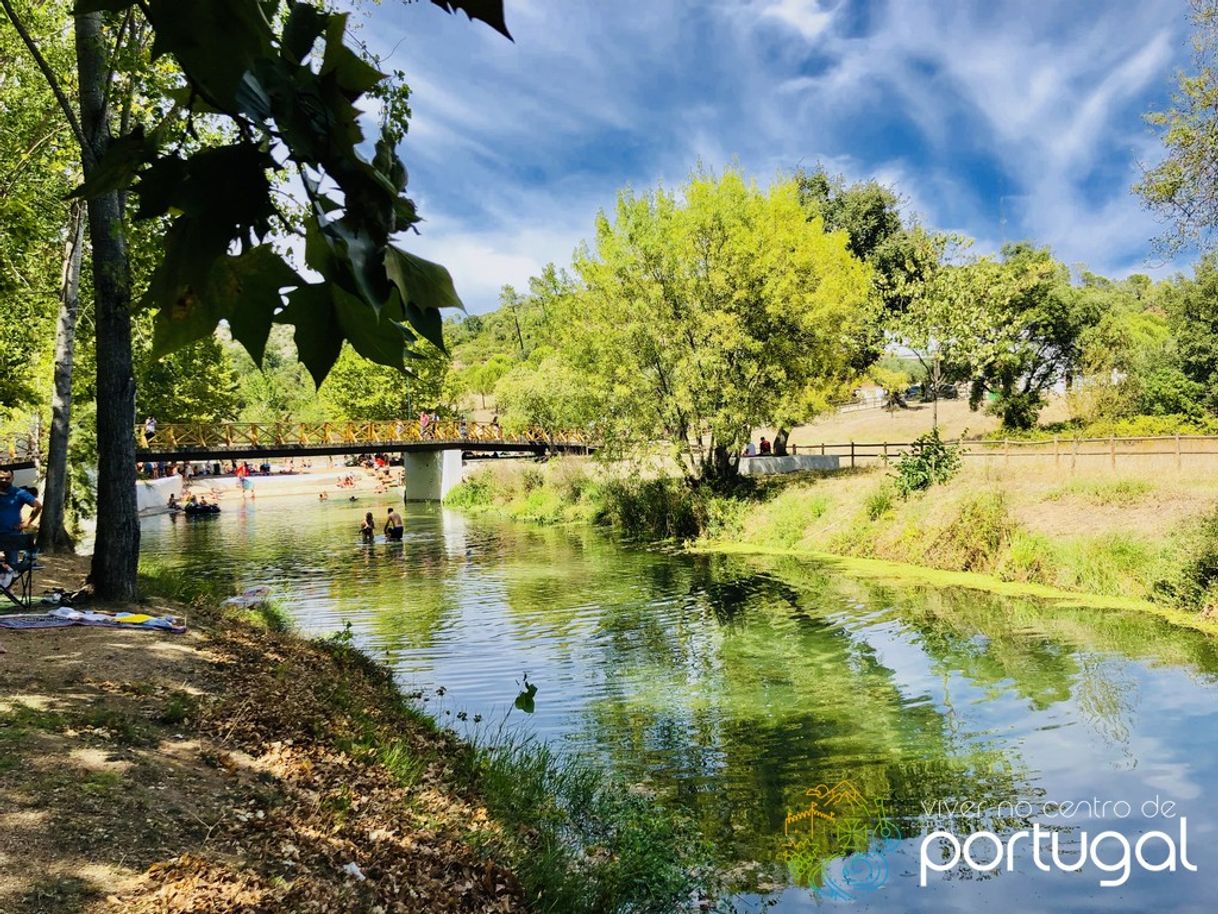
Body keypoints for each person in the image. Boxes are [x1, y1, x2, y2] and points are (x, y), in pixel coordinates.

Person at [0, 469, 40, 536]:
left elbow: (38, 506)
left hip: (13, 534)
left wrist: (27, 522)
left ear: (12, 478)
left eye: (7, 478)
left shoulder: (19, 493)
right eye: (1, 478)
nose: (4, 480)